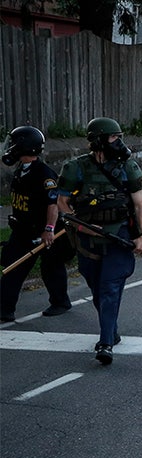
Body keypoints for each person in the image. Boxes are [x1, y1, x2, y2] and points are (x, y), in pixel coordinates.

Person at [55, 117, 142, 364]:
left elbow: (140, 204)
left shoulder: (128, 167)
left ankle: (105, 342)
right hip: (87, 240)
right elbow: (62, 203)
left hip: (118, 237)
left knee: (109, 288)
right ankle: (111, 330)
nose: (119, 143)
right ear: (98, 141)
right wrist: (81, 226)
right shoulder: (75, 168)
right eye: (113, 138)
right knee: (97, 288)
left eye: (119, 137)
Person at [1, 125, 72, 322]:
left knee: (51, 268)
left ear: (24, 147)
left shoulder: (44, 175)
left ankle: (60, 302)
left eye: (14, 144)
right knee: (12, 267)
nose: (11, 148)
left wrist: (49, 229)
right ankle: (4, 310)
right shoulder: (21, 170)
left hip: (43, 231)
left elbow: (53, 204)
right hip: (22, 230)